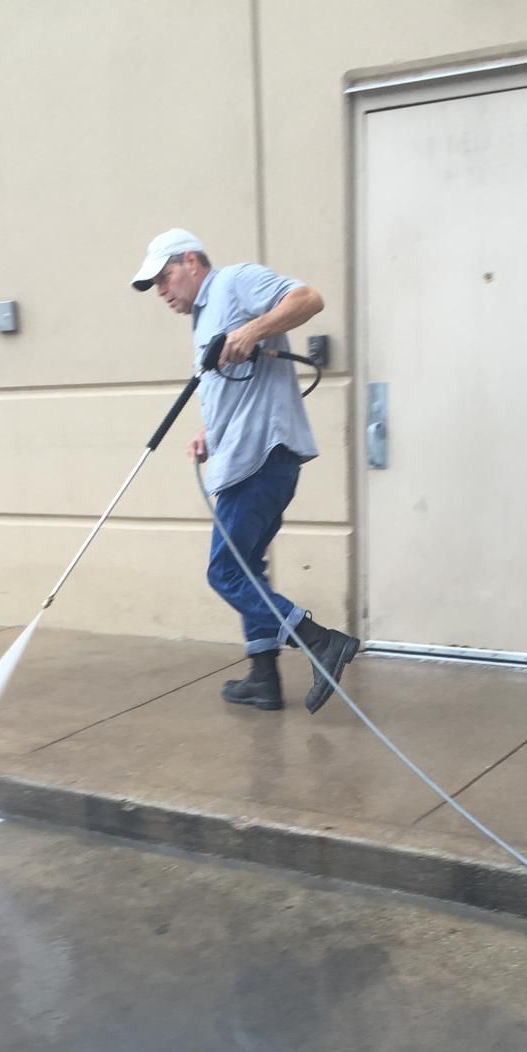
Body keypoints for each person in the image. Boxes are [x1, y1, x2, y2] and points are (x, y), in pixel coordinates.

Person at [131, 227, 360, 713]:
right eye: (156, 286)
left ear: (191, 260)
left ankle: (319, 640)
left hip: (261, 458)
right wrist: (208, 433)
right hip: (246, 458)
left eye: (166, 278)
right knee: (246, 568)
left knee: (225, 573)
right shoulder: (203, 319)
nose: (163, 292)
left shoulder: (234, 283)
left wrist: (253, 329)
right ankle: (263, 678)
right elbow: (236, 390)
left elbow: (308, 298)